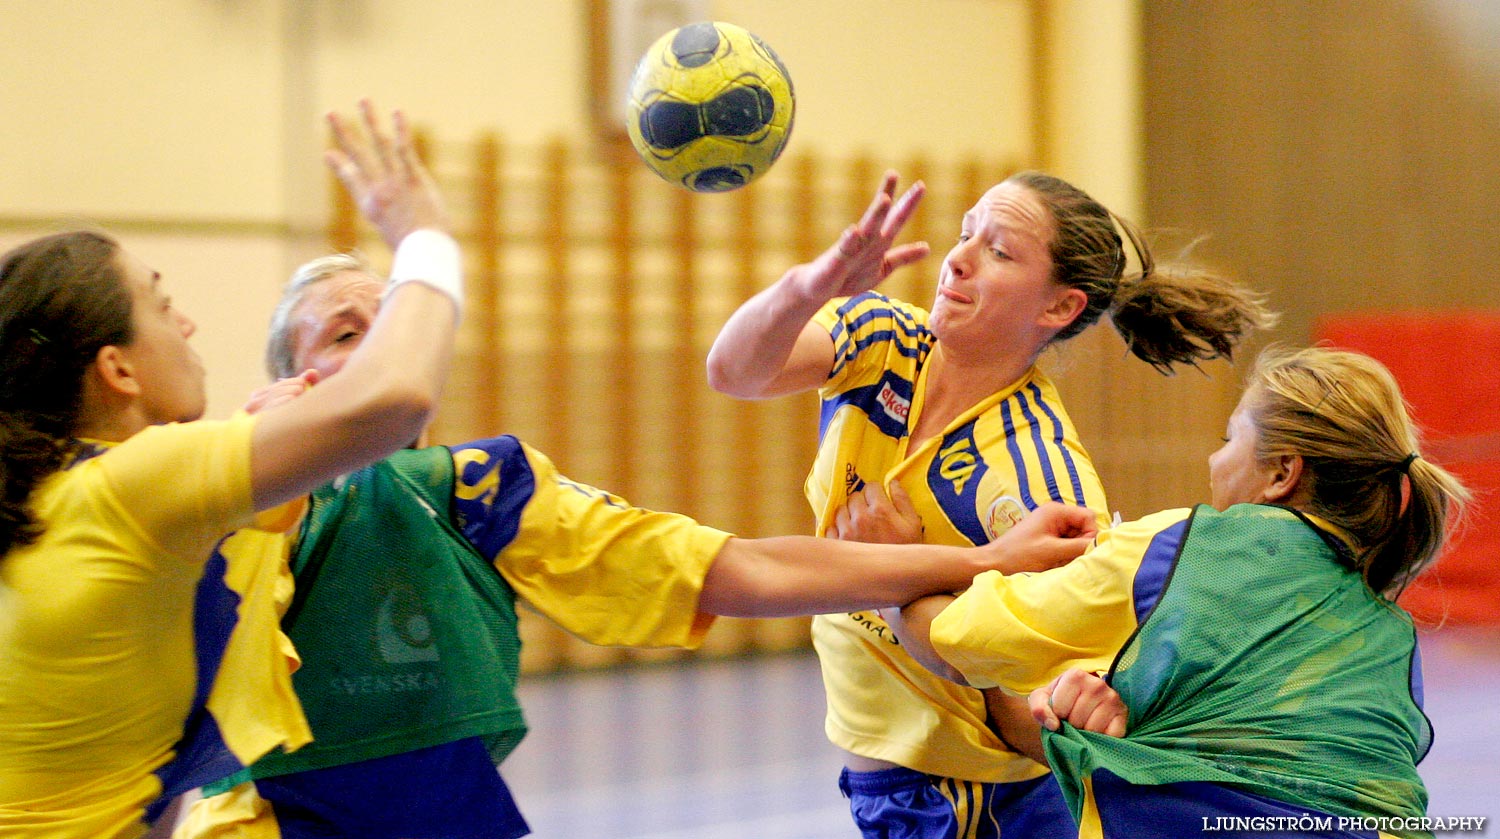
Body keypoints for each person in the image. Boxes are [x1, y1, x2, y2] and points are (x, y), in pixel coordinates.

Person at [168, 252, 1102, 839]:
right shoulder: (230, 491)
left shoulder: (483, 490)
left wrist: (977, 562)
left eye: (394, 327)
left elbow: (744, 566)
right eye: (343, 332)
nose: (381, 349)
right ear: (291, 379)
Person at [705, 170, 1276, 837]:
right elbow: (733, 370)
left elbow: (1026, 713)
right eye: (966, 232)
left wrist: (901, 568)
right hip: (894, 782)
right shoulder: (885, 342)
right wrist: (811, 288)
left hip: (979, 803)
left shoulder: (1040, 479)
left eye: (999, 251)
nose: (959, 256)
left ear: (1058, 308)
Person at [0, 101, 464, 839]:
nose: (185, 324)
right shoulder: (128, 484)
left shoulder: (47, 493)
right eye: (162, 303)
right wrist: (423, 236)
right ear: (117, 368)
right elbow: (397, 398)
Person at [895, 346, 1469, 838]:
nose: (1213, 459)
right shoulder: (1392, 635)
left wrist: (890, 565)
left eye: (1229, 438)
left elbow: (949, 641)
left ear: (1280, 474)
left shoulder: (1180, 549)